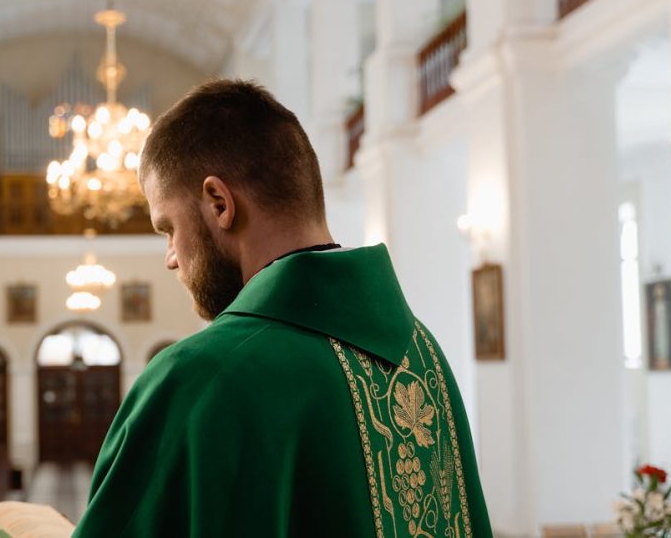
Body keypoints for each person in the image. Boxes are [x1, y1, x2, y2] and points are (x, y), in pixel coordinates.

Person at [72, 80, 491, 537]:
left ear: (219, 204)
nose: (171, 256)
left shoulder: (197, 379)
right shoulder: (422, 356)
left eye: (167, 227)